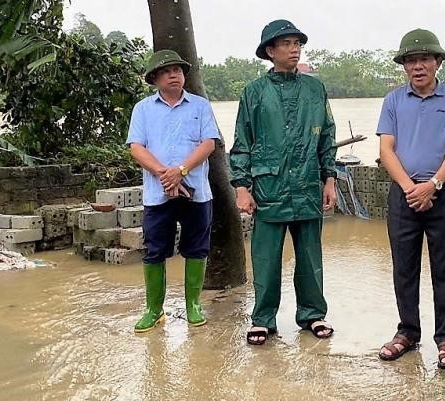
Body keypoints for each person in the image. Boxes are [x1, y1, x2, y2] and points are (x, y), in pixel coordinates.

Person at [230, 19, 337, 346]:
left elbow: (327, 136)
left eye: (297, 43)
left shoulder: (314, 89)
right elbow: (242, 142)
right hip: (269, 187)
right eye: (287, 44)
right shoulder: (254, 93)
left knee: (309, 256)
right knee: (265, 257)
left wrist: (329, 179)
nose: (294, 49)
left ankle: (312, 314)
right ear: (270, 51)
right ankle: (263, 319)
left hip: (306, 185)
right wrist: (242, 186)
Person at [376, 29, 445, 370]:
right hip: (404, 195)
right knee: (404, 267)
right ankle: (407, 332)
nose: (418, 66)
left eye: (424, 59)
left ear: (438, 62)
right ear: (404, 66)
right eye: (411, 61)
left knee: (444, 268)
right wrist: (410, 188)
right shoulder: (393, 101)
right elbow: (386, 149)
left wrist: (433, 184)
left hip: (442, 194)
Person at [126, 49, 222, 333]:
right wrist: (163, 175)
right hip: (158, 194)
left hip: (196, 192)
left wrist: (179, 171)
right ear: (155, 78)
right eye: (167, 71)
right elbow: (136, 147)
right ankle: (154, 310)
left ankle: (193, 304)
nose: (174, 75)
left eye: (178, 71)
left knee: (197, 247)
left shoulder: (200, 106)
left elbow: (208, 144)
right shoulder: (143, 109)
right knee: (154, 250)